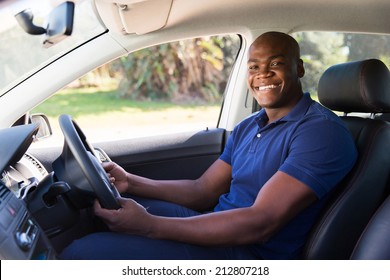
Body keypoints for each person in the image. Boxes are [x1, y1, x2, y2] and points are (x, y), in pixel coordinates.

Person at [60, 31, 357, 260]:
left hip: (248, 255)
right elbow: (203, 191)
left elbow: (260, 222)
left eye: (276, 64)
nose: (262, 74)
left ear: (299, 69)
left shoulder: (321, 133)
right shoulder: (250, 126)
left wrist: (149, 225)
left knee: (82, 253)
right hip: (216, 225)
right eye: (254, 67)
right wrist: (130, 182)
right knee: (100, 218)